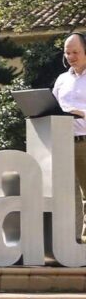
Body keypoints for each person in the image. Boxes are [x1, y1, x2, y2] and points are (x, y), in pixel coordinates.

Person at [53, 33, 86, 241]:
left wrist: (81, 113)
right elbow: (53, 106)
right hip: (60, 142)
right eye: (67, 52)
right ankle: (67, 243)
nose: (71, 56)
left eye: (75, 52)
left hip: (84, 141)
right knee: (63, 196)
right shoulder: (62, 79)